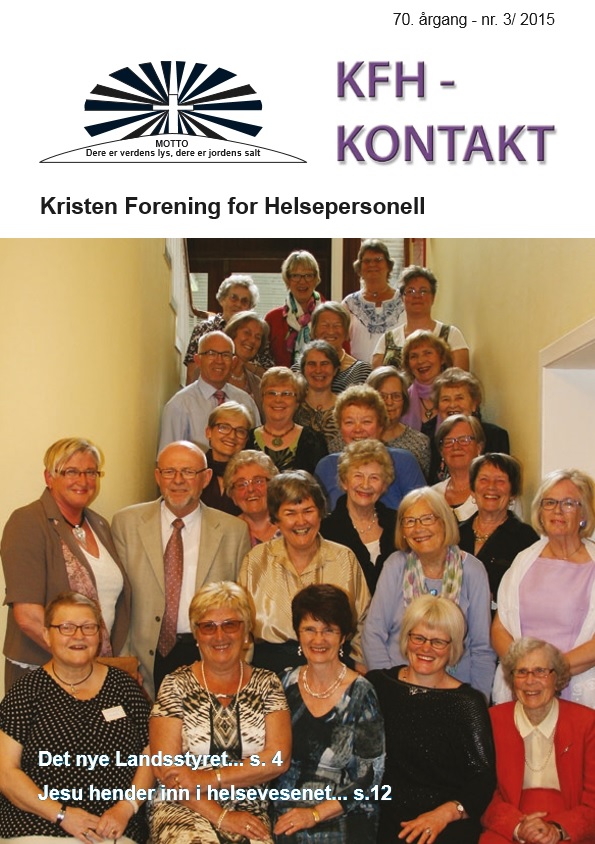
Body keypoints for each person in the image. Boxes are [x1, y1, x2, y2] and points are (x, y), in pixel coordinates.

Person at [0, 592, 152, 842]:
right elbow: (6, 774)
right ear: (47, 635)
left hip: (114, 827)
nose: (79, 636)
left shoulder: (124, 687)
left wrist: (127, 807)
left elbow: (152, 753)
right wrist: (61, 814)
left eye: (88, 627)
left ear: (99, 634)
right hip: (39, 825)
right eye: (66, 627)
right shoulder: (26, 692)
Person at [149, 582, 291, 843]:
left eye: (230, 625)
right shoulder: (175, 685)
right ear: (196, 635)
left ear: (246, 631)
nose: (219, 636)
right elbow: (166, 769)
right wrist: (222, 817)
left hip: (249, 811)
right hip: (184, 807)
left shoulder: (268, 684)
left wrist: (209, 778)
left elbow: (278, 759)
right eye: (208, 627)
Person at [112, 440, 251, 699]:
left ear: (206, 478)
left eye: (188, 472)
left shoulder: (234, 531)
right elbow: (119, 599)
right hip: (144, 654)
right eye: (169, 472)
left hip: (205, 650)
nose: (177, 480)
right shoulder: (126, 523)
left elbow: (240, 604)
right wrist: (123, 656)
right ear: (157, 476)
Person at [1, 437, 131, 691]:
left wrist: (99, 664)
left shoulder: (99, 524)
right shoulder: (28, 521)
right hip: (44, 671)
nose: (83, 481)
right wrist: (82, 659)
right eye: (71, 471)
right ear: (49, 477)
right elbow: (27, 616)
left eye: (90, 472)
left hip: (96, 669)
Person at [368, 595, 496, 844]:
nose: (426, 649)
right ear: (406, 639)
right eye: (419, 638)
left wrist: (443, 815)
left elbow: (482, 780)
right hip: (383, 814)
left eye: (438, 642)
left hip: (444, 822)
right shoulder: (378, 685)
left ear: (452, 647)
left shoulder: (467, 703)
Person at [272, 585, 385, 843]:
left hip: (343, 812)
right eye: (309, 629)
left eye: (329, 630)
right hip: (284, 809)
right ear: (298, 634)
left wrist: (314, 814)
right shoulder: (283, 685)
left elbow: (370, 778)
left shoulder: (362, 693)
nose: (318, 640)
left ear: (343, 636)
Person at [362, 487, 496, 701]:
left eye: (427, 519)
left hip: (455, 693)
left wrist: (476, 703)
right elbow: (373, 634)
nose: (418, 528)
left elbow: (482, 648)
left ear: (445, 522)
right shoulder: (395, 565)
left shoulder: (473, 570)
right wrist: (389, 687)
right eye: (409, 521)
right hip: (399, 689)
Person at [239, 471, 371, 675]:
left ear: (320, 513)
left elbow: (364, 620)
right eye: (290, 513)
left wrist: (359, 668)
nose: (301, 521)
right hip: (269, 672)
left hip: (333, 667)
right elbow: (241, 624)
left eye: (308, 511)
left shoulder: (344, 558)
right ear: (276, 518)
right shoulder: (256, 560)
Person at [492, 469, 595, 708]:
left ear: (583, 513)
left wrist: (549, 672)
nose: (557, 510)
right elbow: (499, 627)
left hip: (577, 690)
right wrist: (526, 672)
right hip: (522, 688)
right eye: (550, 502)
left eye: (568, 503)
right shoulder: (523, 561)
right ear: (540, 511)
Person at [481, 638, 595, 844]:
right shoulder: (491, 721)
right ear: (511, 678)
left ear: (557, 677)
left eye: (540, 671)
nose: (530, 680)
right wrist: (517, 827)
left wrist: (557, 829)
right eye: (521, 672)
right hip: (507, 825)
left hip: (570, 826)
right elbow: (481, 794)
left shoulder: (587, 723)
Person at [314, 385, 426, 509]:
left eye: (366, 422)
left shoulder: (404, 462)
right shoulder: (326, 467)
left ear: (381, 426)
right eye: (349, 422)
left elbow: (422, 512)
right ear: (340, 427)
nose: (357, 429)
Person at [458, 454, 539, 611]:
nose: (491, 487)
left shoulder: (526, 539)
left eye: (500, 481)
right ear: (473, 489)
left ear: (512, 492)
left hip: (503, 622)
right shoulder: (454, 534)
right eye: (484, 480)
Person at [158, 330, 261, 453]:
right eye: (211, 353)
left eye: (225, 355)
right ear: (198, 360)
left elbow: (256, 453)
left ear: (233, 362)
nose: (219, 361)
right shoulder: (179, 405)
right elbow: (168, 458)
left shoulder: (246, 402)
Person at [320, 439, 397, 594]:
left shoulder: (397, 523)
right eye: (358, 476)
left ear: (384, 486)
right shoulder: (325, 530)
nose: (365, 485)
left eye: (374, 478)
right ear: (344, 481)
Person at [372, 265, 470, 371]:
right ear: (402, 298)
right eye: (411, 291)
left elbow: (460, 378)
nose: (417, 296)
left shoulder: (452, 335)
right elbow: (376, 379)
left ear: (433, 297)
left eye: (423, 291)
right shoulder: (386, 341)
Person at [422, 368, 510, 484]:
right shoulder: (434, 440)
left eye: (459, 398)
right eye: (446, 399)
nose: (452, 405)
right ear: (438, 407)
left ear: (474, 404)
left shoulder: (495, 437)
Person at [184, 274, 273, 383]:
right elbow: (192, 375)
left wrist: (243, 364)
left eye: (244, 301)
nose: (238, 304)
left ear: (250, 307)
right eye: (233, 298)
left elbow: (269, 375)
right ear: (222, 299)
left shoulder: (256, 335)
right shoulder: (204, 329)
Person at [246, 366, 328, 474]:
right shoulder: (246, 440)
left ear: (297, 402)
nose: (278, 400)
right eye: (272, 393)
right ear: (262, 398)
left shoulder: (314, 441)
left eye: (286, 394)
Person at [342, 239, 404, 363]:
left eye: (378, 260)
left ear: (388, 265)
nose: (372, 264)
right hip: (359, 373)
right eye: (367, 261)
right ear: (359, 267)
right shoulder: (349, 304)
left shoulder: (404, 300)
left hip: (398, 373)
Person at [367, 365, 431, 477]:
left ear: (404, 400)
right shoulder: (353, 436)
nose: (389, 402)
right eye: (382, 396)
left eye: (396, 396)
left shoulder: (420, 443)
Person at [265, 250, 324, 367]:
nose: (302, 281)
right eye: (295, 276)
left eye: (308, 275)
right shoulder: (273, 319)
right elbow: (265, 361)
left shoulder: (330, 314)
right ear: (287, 280)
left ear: (315, 279)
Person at [202, 400, 254, 515]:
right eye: (224, 427)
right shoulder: (194, 471)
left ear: (246, 440)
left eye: (240, 431)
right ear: (208, 432)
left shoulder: (253, 476)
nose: (232, 436)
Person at [433, 415, 486, 522]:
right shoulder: (432, 495)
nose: (456, 447)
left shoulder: (496, 491)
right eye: (449, 441)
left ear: (479, 448)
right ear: (442, 452)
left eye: (464, 440)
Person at [309, 301, 372, 391]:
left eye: (337, 325)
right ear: (314, 330)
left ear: (346, 331)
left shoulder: (361, 371)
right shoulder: (300, 369)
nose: (331, 331)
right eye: (324, 325)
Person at [295, 340, 343, 453]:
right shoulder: (293, 406)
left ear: (335, 369)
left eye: (324, 364)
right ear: (303, 370)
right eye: (312, 364)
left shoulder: (347, 407)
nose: (318, 370)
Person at [224, 450, 280, 546]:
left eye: (258, 481)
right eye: (241, 484)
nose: (250, 489)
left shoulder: (292, 526)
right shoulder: (227, 534)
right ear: (232, 495)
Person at [400, 330, 453, 431]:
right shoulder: (402, 400)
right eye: (414, 356)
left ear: (442, 358)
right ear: (408, 364)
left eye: (427, 353)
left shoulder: (457, 396)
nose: (420, 361)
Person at [224, 310, 269, 415]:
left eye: (257, 337)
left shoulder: (257, 383)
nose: (252, 340)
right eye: (247, 333)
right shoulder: (209, 371)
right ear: (233, 333)